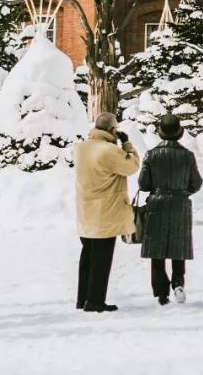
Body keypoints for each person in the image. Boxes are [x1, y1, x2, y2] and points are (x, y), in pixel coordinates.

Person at [74, 112, 140, 313]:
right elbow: (132, 166)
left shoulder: (80, 148)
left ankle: (83, 297)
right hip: (105, 212)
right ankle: (95, 300)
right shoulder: (110, 151)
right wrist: (127, 145)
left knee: (88, 254)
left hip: (85, 210)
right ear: (113, 130)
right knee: (102, 258)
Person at [138, 114, 203, 305]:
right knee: (178, 248)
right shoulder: (187, 155)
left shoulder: (151, 155)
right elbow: (196, 183)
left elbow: (143, 183)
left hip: (156, 203)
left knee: (157, 250)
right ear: (179, 133)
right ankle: (178, 283)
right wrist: (183, 191)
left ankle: (161, 291)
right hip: (179, 203)